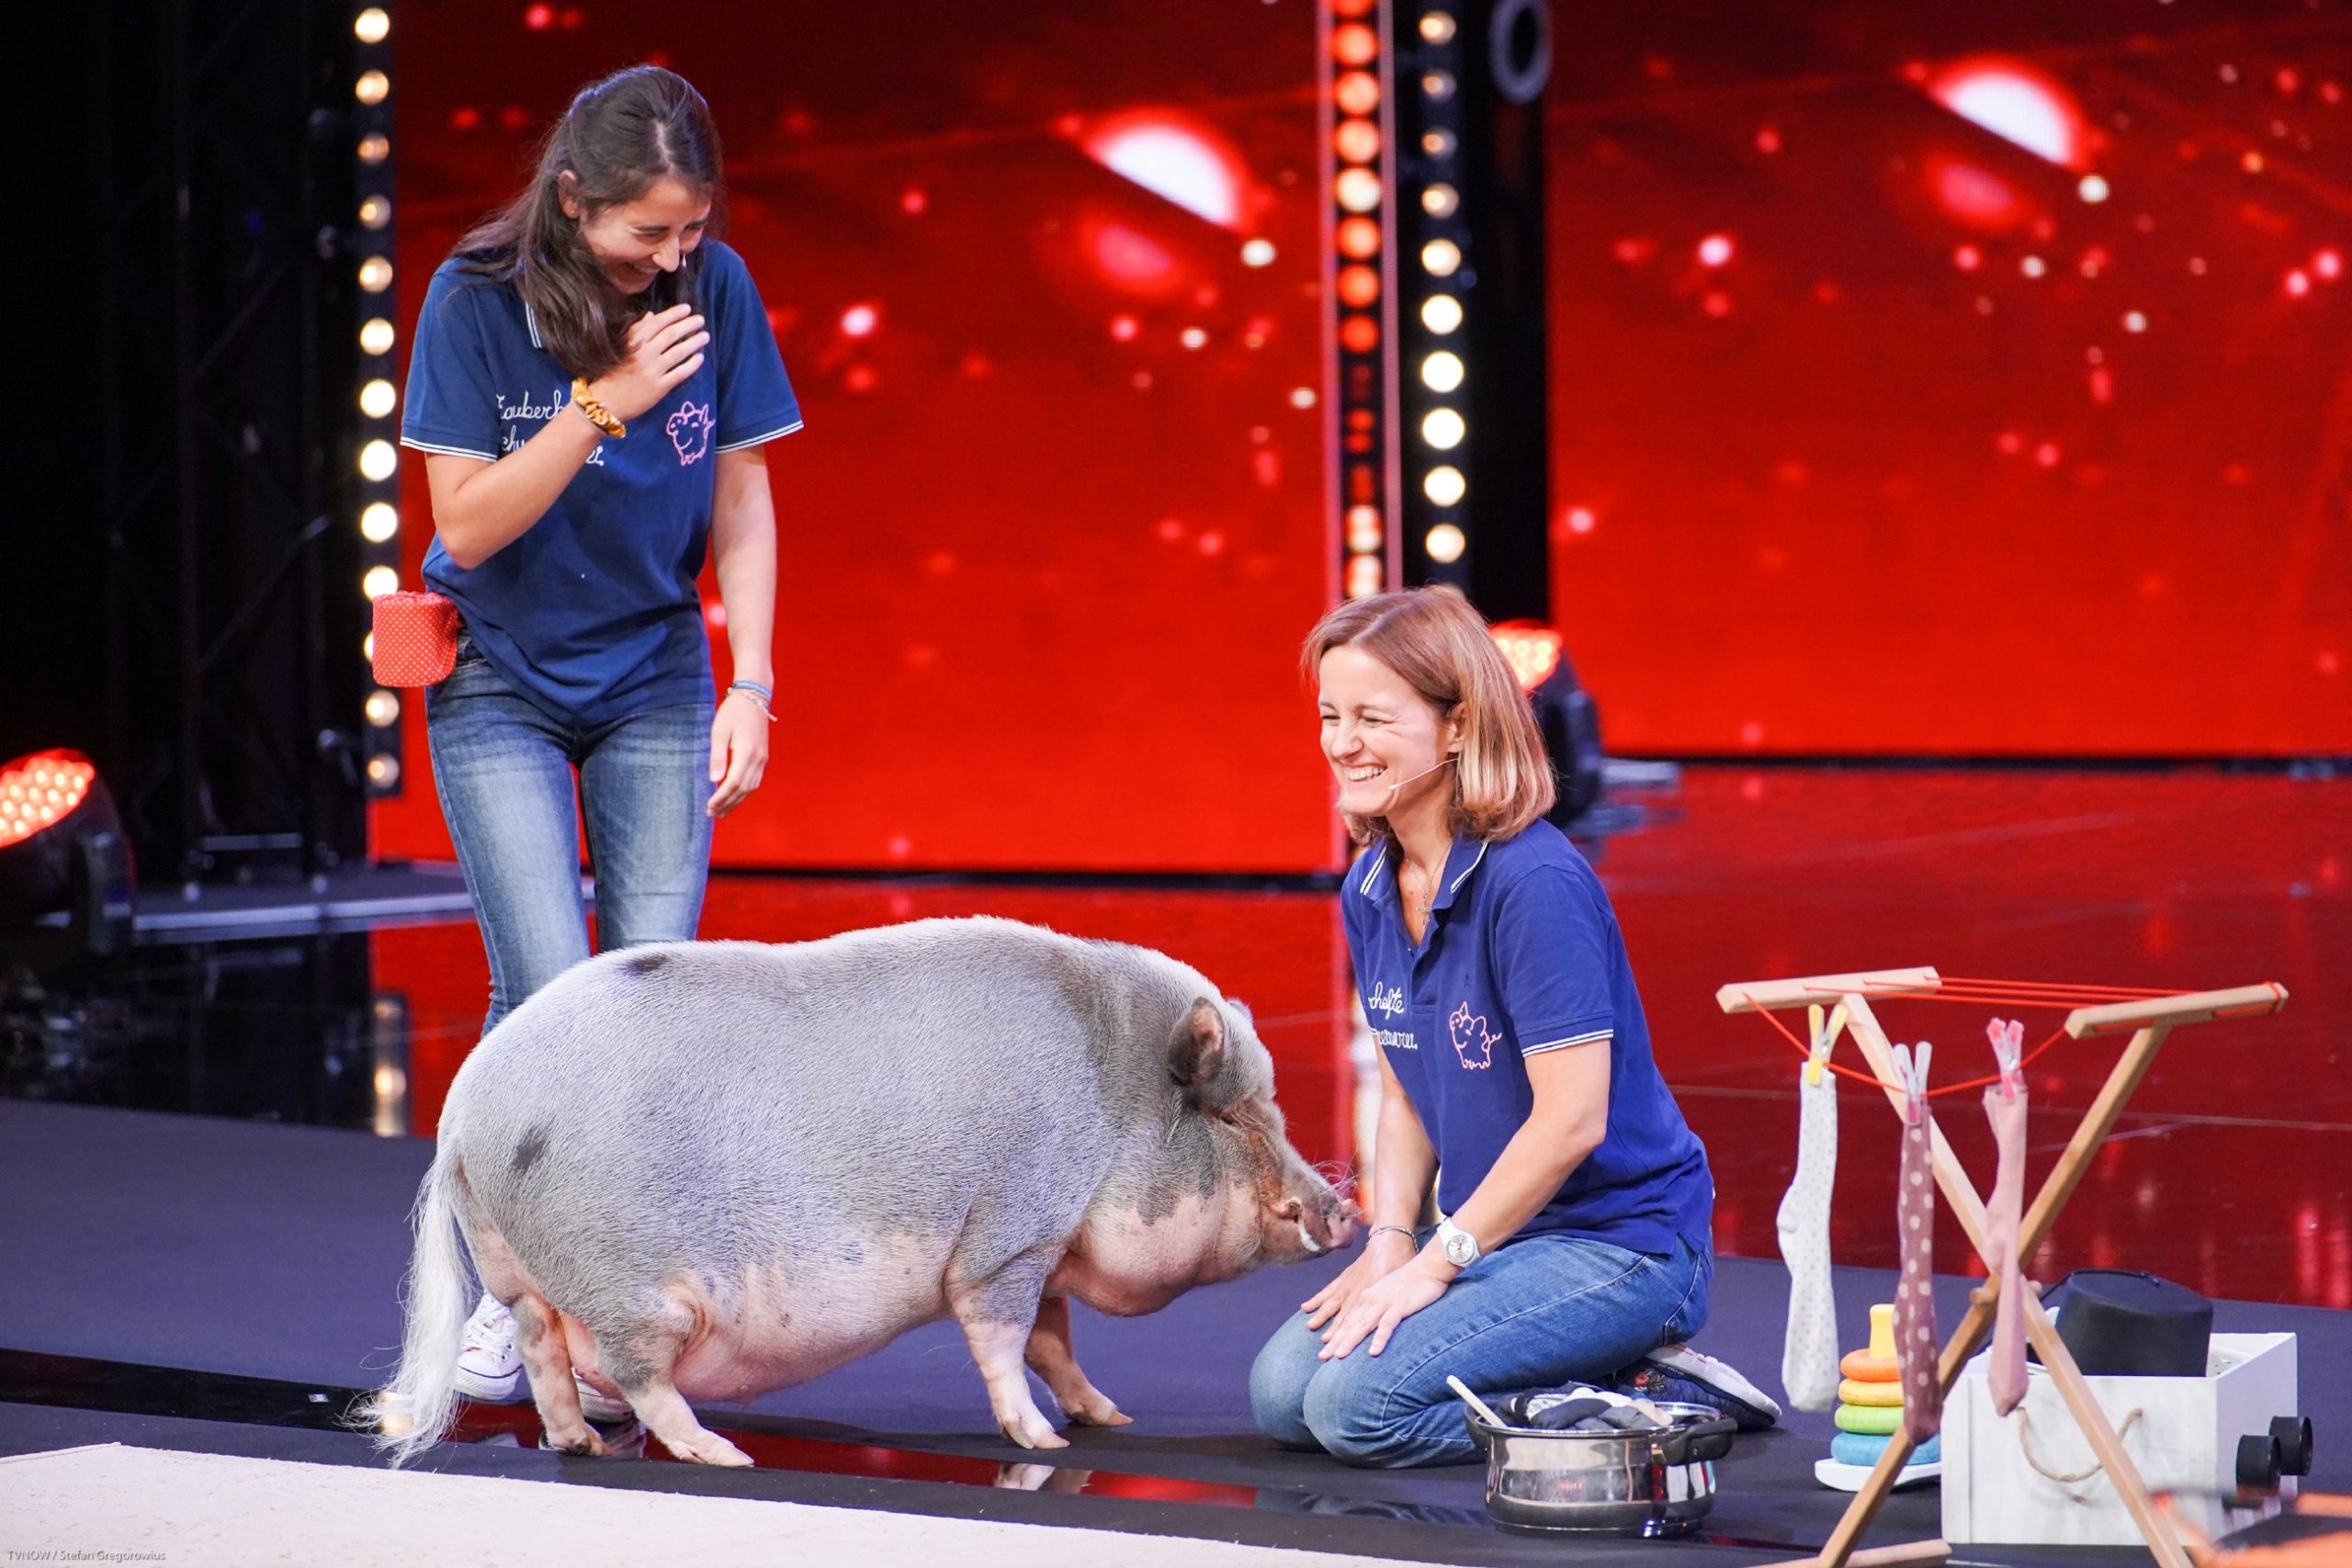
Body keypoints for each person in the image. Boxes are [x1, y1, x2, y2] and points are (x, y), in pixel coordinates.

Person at [394, 65, 802, 1415]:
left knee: (642, 998)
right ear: (574, 201)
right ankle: (513, 1298)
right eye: (648, 233)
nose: (673, 257)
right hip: (499, 674)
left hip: (653, 671)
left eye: (690, 230)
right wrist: (601, 402)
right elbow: (463, 528)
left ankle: (617, 1297)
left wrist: (755, 681)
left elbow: (741, 493)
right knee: (548, 994)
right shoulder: (473, 298)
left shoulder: (718, 290)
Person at [1249, 586, 1777, 1467]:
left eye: (1374, 717)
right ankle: (1587, 1370)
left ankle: (1645, 1398)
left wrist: (1437, 1262)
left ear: (1457, 727)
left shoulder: (1534, 883)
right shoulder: (1371, 885)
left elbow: (1574, 1120)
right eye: (1331, 715)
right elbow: (1406, 1092)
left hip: (1620, 1243)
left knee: (1355, 1412)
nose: (1342, 742)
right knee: (1283, 1399)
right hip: (1499, 1236)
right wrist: (1390, 1243)